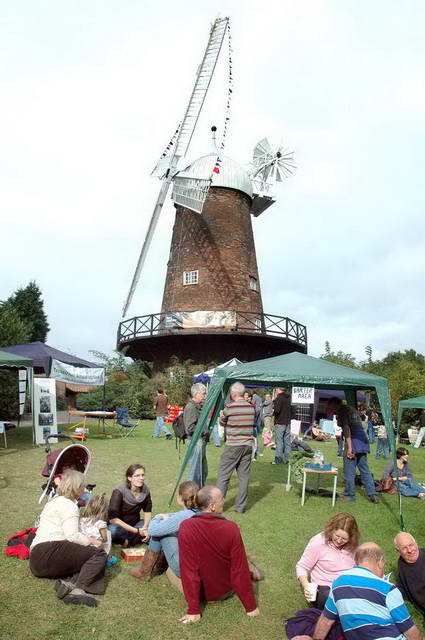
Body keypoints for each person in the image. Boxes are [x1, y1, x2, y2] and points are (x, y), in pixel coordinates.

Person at [178, 485, 260, 624]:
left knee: (170, 564)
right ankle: (252, 568)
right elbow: (239, 570)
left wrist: (193, 610)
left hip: (201, 594)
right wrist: (250, 607)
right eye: (221, 499)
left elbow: (189, 570)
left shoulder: (186, 526)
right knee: (242, 560)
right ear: (212, 506)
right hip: (225, 591)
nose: (224, 501)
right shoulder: (231, 528)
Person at [310, 542, 423, 640]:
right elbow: (409, 630)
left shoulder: (338, 583)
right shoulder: (388, 589)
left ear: (357, 561)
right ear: (380, 562)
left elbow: (325, 621)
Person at [29, 470, 107, 607]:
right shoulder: (69, 506)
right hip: (49, 552)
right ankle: (78, 589)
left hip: (36, 559)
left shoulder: (53, 501)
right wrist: (93, 542)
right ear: (76, 487)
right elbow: (72, 536)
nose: (85, 489)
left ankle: (68, 584)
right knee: (98, 554)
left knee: (83, 555)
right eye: (83, 486)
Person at [129, 480, 198, 588]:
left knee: (161, 533)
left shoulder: (182, 516)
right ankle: (159, 566)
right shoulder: (199, 512)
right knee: (166, 530)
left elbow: (153, 530)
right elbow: (176, 515)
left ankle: (144, 571)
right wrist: (167, 516)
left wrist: (158, 517)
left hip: (185, 569)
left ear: (180, 498)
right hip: (199, 565)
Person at [296, 513, 359, 609]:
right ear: (332, 530)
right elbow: (302, 566)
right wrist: (306, 585)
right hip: (324, 587)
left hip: (345, 585)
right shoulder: (319, 542)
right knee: (330, 599)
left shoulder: (353, 546)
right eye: (337, 536)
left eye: (344, 539)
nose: (339, 541)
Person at [327, 397, 378, 503]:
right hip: (362, 440)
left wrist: (350, 448)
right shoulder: (351, 409)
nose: (331, 409)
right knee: (365, 470)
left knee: (349, 471)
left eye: (331, 407)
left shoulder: (342, 411)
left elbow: (346, 429)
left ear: (335, 404)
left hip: (353, 440)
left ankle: (349, 495)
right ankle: (372, 494)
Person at [217, 382, 256, 513]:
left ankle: (218, 506)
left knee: (223, 476)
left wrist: (222, 416)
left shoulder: (229, 408)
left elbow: (222, 422)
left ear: (233, 394)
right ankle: (240, 507)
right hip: (247, 445)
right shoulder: (251, 408)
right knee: (244, 478)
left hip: (233, 445)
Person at [108, 463, 152, 546]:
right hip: (120, 526)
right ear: (129, 478)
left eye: (142, 475)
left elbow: (147, 511)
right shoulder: (118, 491)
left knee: (155, 521)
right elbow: (113, 519)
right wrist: (137, 531)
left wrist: (145, 527)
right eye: (137, 475)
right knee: (112, 530)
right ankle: (136, 539)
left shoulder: (145, 490)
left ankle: (129, 541)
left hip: (136, 524)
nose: (141, 478)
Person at [183, 382, 208, 488]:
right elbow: (189, 428)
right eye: (203, 393)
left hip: (199, 441)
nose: (205, 396)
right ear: (196, 394)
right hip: (195, 441)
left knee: (203, 471)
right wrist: (204, 431)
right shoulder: (191, 407)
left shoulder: (197, 406)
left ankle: (200, 492)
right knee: (195, 472)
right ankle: (191, 495)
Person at [395, 532, 425, 615]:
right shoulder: (402, 563)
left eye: (411, 545)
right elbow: (402, 586)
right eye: (404, 548)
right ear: (398, 551)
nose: (409, 550)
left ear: (416, 543)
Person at [272, 387, 292, 465]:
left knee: (279, 442)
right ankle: (288, 460)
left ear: (278, 389)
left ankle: (278, 460)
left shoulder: (279, 397)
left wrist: (272, 412)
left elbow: (277, 410)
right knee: (287, 442)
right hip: (288, 422)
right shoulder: (289, 397)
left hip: (280, 422)